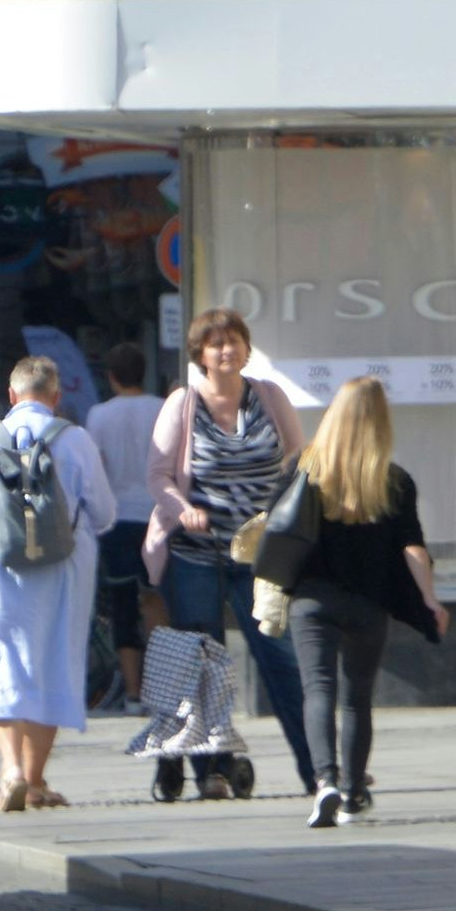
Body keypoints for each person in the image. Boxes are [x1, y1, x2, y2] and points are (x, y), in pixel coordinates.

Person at [148, 309, 317, 796]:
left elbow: (297, 457)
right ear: (200, 353)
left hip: (260, 555)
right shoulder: (182, 404)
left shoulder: (268, 395)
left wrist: (282, 502)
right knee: (205, 662)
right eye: (216, 344)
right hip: (196, 555)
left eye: (235, 341)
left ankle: (318, 769)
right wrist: (183, 510)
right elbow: (158, 474)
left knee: (281, 660)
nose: (227, 350)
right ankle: (213, 770)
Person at [0, 358, 113, 812]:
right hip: (62, 573)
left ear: (12, 395)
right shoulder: (75, 440)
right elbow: (105, 513)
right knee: (53, 665)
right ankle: (36, 780)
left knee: (2, 667)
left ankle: (11, 771)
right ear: (56, 398)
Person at [280, 379, 447, 828]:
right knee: (356, 699)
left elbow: (274, 527)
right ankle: (354, 793)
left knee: (318, 690)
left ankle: (325, 782)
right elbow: (413, 546)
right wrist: (430, 599)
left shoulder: (304, 469)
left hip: (312, 601)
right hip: (368, 605)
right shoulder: (392, 481)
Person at [83, 342, 162, 715]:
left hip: (116, 518)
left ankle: (133, 692)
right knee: (155, 598)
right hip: (156, 515)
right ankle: (164, 684)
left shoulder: (98, 415)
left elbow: (95, 467)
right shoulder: (161, 409)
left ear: (110, 377)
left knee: (122, 603)